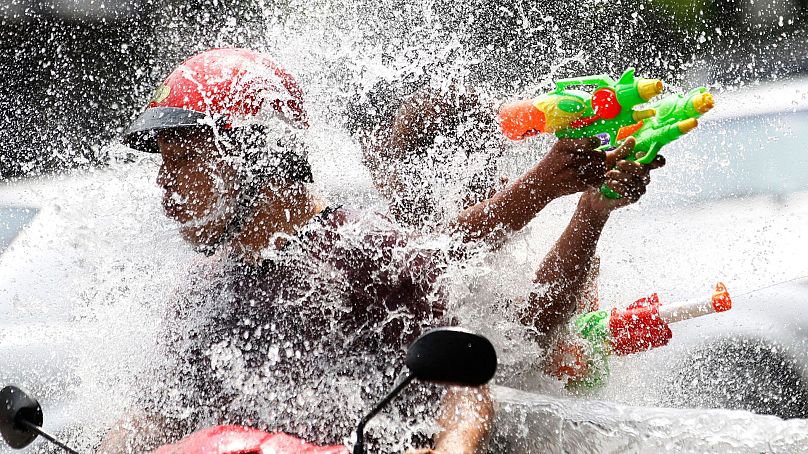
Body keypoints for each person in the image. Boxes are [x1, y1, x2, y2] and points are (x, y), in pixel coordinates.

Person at [98, 48, 492, 453]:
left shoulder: (374, 253)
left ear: (255, 155)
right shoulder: (203, 296)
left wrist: (452, 448)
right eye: (165, 162)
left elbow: (465, 391)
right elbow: (152, 417)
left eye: (182, 159)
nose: (163, 181)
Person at [349, 80, 664, 365]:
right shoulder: (374, 249)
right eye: (489, 174)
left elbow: (528, 339)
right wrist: (543, 184)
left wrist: (592, 213)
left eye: (497, 167)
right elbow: (439, 253)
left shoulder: (505, 258)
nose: (502, 182)